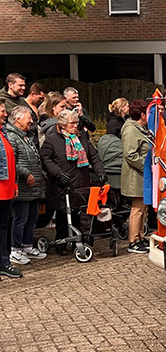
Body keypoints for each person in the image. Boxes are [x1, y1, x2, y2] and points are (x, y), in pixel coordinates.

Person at [40, 109, 106, 246]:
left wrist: (100, 171)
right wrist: (57, 172)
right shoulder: (52, 139)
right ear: (63, 124)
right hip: (62, 183)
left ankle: (81, 238)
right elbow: (45, 159)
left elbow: (93, 156)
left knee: (81, 212)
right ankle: (62, 242)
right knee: (63, 213)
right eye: (72, 123)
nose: (76, 126)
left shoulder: (81, 138)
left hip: (81, 180)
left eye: (77, 123)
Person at [5, 106, 46, 264]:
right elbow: (12, 161)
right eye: (28, 117)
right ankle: (16, 249)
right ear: (17, 119)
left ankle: (27, 245)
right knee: (20, 218)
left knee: (32, 218)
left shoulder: (25, 136)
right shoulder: (12, 137)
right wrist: (25, 173)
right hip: (22, 187)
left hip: (33, 188)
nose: (31, 121)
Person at [121, 100, 151, 254]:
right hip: (136, 175)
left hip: (142, 175)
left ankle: (140, 236)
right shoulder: (131, 130)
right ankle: (133, 241)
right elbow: (130, 154)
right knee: (137, 208)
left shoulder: (140, 129)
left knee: (143, 208)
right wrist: (146, 167)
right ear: (142, 115)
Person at [0, 99, 22, 278]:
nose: (5, 114)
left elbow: (10, 161)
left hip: (6, 189)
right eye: (1, 111)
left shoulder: (4, 132)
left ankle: (3, 262)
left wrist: (14, 184)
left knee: (3, 227)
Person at [24, 82, 46, 148]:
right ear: (33, 94)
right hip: (29, 141)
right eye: (40, 98)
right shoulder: (23, 106)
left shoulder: (39, 106)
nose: (42, 100)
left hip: (39, 141)